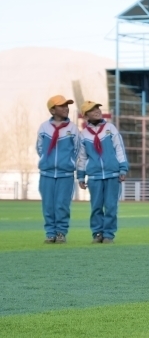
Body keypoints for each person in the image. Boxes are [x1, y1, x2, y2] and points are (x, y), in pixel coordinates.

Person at [77, 101, 129, 244]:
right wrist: (80, 176)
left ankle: (108, 235)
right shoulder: (83, 135)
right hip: (94, 177)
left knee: (111, 206)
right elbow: (82, 157)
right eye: (92, 110)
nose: (97, 111)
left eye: (97, 108)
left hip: (113, 174)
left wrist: (123, 168)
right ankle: (97, 233)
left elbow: (119, 149)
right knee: (96, 207)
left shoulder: (110, 128)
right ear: (86, 115)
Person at [37, 95, 80, 244]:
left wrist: (69, 162)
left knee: (62, 205)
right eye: (62, 106)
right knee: (48, 205)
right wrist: (46, 161)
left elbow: (77, 149)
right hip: (46, 174)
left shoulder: (72, 128)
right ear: (52, 110)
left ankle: (61, 232)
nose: (66, 108)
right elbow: (40, 148)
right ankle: (50, 233)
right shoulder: (44, 127)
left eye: (67, 105)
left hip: (65, 174)